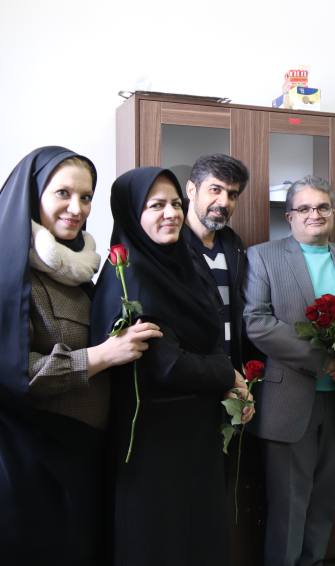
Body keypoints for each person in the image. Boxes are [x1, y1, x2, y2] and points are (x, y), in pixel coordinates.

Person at [0, 147, 162, 565]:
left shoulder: (78, 273)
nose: (76, 208)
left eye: (86, 197)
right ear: (33, 196)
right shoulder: (9, 272)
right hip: (32, 461)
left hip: (85, 455)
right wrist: (101, 356)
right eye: (63, 193)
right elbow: (15, 373)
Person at [91, 166, 254, 566]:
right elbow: (166, 365)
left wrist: (228, 381)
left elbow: (212, 334)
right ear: (132, 212)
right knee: (163, 542)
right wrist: (228, 374)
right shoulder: (127, 276)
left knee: (200, 539)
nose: (171, 213)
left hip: (196, 434)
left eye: (176, 204)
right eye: (156, 205)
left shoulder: (183, 264)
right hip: (155, 444)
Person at [244, 175, 335, 566]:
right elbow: (257, 322)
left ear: (332, 212)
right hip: (289, 401)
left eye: (322, 207)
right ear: (289, 216)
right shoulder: (263, 257)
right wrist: (323, 361)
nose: (314, 214)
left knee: (325, 500)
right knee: (289, 504)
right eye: (304, 208)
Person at [184, 153, 258, 370]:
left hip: (230, 370)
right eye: (215, 190)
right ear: (192, 190)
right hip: (191, 372)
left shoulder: (234, 245)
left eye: (232, 195)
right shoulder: (172, 244)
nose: (224, 202)